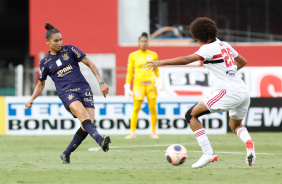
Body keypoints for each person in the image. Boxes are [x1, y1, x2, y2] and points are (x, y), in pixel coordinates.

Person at [146, 17, 255, 168]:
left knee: (190, 115)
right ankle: (248, 142)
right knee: (236, 126)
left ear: (200, 36)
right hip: (243, 92)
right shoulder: (225, 45)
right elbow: (243, 62)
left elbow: (186, 59)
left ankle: (208, 153)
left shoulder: (208, 48)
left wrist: (161, 62)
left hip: (227, 92)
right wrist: (229, 72)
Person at [25, 23, 111, 164]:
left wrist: (101, 82)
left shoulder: (70, 50)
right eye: (55, 41)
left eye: (60, 40)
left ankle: (66, 154)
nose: (59, 43)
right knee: (84, 116)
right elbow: (41, 84)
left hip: (84, 89)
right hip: (67, 93)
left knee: (87, 125)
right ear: (47, 42)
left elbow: (89, 63)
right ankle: (101, 141)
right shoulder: (45, 63)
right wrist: (32, 99)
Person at [124, 32, 164, 139]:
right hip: (138, 85)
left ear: (148, 42)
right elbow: (129, 71)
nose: (143, 43)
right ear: (138, 42)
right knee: (136, 109)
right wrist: (127, 85)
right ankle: (132, 132)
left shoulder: (153, 54)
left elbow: (156, 69)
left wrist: (159, 79)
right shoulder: (133, 55)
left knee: (152, 108)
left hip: (150, 84)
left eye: (145, 41)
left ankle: (154, 132)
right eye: (141, 41)